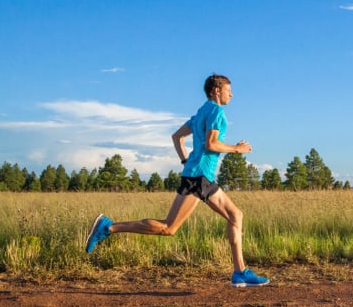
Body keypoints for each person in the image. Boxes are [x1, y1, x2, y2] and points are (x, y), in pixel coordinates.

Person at [85, 73, 269, 288]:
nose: (232, 94)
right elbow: (211, 144)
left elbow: (177, 137)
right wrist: (237, 149)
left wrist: (185, 161)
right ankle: (108, 227)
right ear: (217, 91)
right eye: (229, 90)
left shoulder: (201, 112)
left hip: (198, 175)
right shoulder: (217, 112)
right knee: (168, 228)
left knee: (235, 215)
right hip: (199, 177)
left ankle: (240, 272)